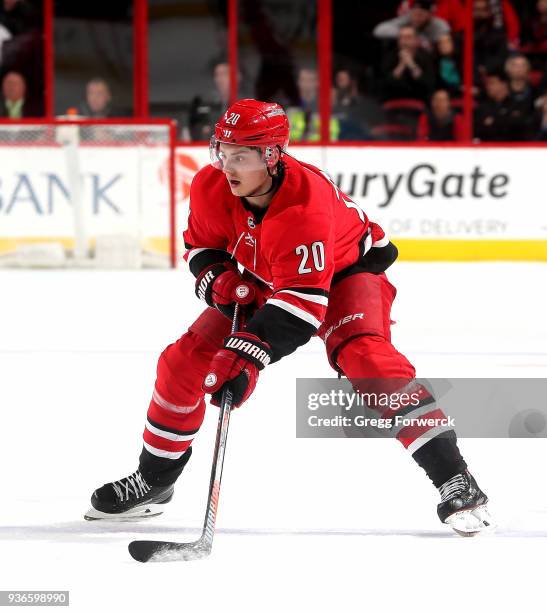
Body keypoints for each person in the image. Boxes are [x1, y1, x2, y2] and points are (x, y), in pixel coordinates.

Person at [85, 99, 493, 536]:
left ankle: (455, 478)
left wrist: (244, 358)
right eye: (221, 151)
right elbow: (202, 248)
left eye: (240, 155)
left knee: (368, 360)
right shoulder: (210, 185)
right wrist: (219, 282)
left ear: (271, 156)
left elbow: (301, 308)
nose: (227, 165)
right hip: (273, 277)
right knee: (183, 362)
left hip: (345, 276)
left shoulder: (305, 206)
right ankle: (155, 478)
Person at [381, 25, 436, 102]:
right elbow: (386, 84)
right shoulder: (390, 56)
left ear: (416, 40)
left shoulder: (426, 57)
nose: (404, 41)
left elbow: (428, 85)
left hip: (420, 102)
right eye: (401, 37)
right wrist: (401, 65)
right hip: (394, 102)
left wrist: (411, 64)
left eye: (408, 37)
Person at [474, 72, 532, 140]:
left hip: (513, 148)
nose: (488, 87)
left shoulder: (518, 105)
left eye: (492, 83)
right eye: (487, 84)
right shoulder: (483, 107)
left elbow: (519, 125)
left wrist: (494, 121)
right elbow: (477, 130)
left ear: (504, 84)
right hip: (488, 148)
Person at [374, 0, 451, 51]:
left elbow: (446, 45)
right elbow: (379, 30)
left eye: (420, 15)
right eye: (414, 14)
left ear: (430, 15)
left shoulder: (439, 25)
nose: (416, 18)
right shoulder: (407, 19)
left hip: (430, 60)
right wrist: (407, 34)